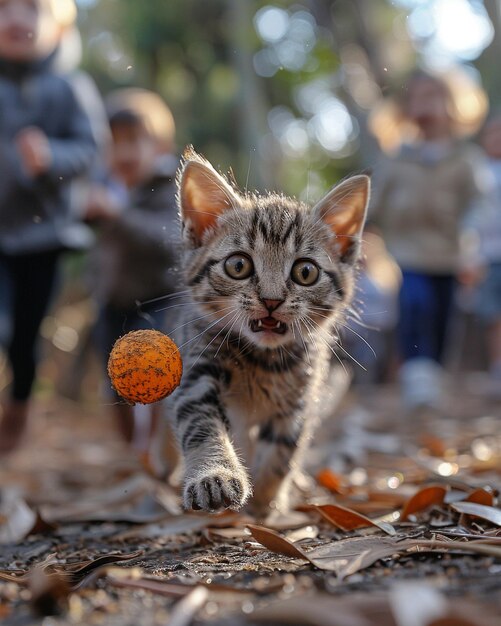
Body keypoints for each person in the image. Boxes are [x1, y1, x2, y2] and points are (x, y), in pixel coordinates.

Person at [0, 0, 97, 453]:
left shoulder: (69, 87)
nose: (17, 19)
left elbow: (91, 148)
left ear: (57, 28)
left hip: (44, 236)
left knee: (25, 333)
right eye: (3, 8)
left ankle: (20, 399)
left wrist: (51, 157)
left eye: (31, 9)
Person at [369, 69, 489, 412]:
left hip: (451, 254)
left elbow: (479, 203)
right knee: (415, 305)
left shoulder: (465, 159)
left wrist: (474, 248)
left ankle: (434, 377)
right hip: (406, 253)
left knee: (442, 317)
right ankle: (417, 379)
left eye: (433, 96)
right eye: (418, 97)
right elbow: (372, 199)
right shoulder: (397, 159)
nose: (426, 105)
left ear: (453, 104)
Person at [83, 88, 181, 462]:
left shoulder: (168, 188)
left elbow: (169, 239)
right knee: (114, 384)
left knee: (155, 372)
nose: (123, 153)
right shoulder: (105, 188)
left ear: (158, 146)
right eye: (113, 143)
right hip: (112, 300)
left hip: (159, 297)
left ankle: (153, 448)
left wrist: (117, 215)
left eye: (133, 142)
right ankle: (131, 450)